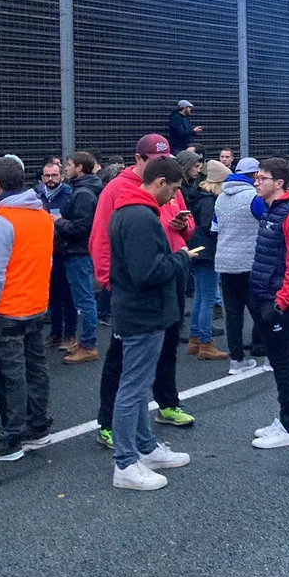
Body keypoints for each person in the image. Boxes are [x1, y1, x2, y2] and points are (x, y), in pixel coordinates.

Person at [91, 134, 196, 449]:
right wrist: (110, 282)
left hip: (168, 273)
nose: (159, 165)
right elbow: (100, 238)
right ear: (138, 159)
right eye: (152, 159)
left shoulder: (169, 187)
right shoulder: (117, 190)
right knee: (122, 359)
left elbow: (185, 228)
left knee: (165, 346)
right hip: (136, 283)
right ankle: (109, 423)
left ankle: (166, 404)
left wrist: (182, 227)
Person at [107, 156, 194, 490]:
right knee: (132, 387)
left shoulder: (127, 211)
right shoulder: (142, 217)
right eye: (172, 189)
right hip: (143, 312)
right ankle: (126, 463)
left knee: (138, 384)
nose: (172, 198)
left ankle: (145, 447)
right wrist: (181, 257)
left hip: (136, 310)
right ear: (160, 182)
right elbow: (148, 272)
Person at [0, 157, 54, 462]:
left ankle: (10, 437)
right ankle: (37, 426)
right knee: (35, 369)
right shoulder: (42, 216)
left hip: (7, 310)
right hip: (36, 304)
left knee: (10, 375)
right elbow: (46, 262)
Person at [249, 158, 289, 449]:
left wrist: (282, 302)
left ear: (279, 183)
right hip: (268, 295)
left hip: (281, 302)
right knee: (278, 362)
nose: (256, 182)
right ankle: (285, 420)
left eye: (261, 178)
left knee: (285, 363)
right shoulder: (274, 210)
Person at [215, 157, 268, 374]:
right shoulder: (254, 197)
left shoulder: (219, 198)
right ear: (254, 175)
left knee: (233, 315)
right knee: (260, 312)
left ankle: (236, 360)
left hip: (225, 263)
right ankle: (272, 358)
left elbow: (214, 228)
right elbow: (266, 224)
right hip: (249, 261)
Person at [54, 151, 103, 364]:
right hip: (77, 252)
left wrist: (57, 221)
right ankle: (86, 342)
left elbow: (82, 227)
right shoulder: (85, 189)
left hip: (78, 252)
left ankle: (89, 345)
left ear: (80, 168)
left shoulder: (83, 193)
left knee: (84, 298)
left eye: (70, 164)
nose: (66, 167)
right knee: (83, 297)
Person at [187, 160, 230, 360]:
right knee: (208, 298)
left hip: (198, 251)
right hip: (208, 252)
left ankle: (195, 338)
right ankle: (205, 342)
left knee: (200, 296)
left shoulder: (199, 197)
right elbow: (208, 227)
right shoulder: (210, 202)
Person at [39, 161, 77, 351]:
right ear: (42, 178)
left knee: (68, 295)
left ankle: (70, 334)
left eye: (54, 175)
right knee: (51, 294)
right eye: (47, 175)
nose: (51, 179)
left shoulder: (69, 196)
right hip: (46, 251)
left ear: (61, 177)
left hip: (65, 251)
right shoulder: (37, 197)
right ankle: (55, 333)